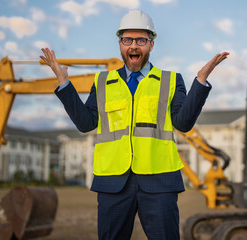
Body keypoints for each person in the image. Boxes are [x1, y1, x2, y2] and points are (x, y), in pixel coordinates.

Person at [40, 9, 228, 240]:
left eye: (141, 40)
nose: (134, 46)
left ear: (151, 45)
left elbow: (184, 123)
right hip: (112, 182)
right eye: (128, 40)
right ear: (120, 44)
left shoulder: (170, 80)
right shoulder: (102, 82)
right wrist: (64, 83)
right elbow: (85, 123)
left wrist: (200, 81)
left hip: (159, 181)